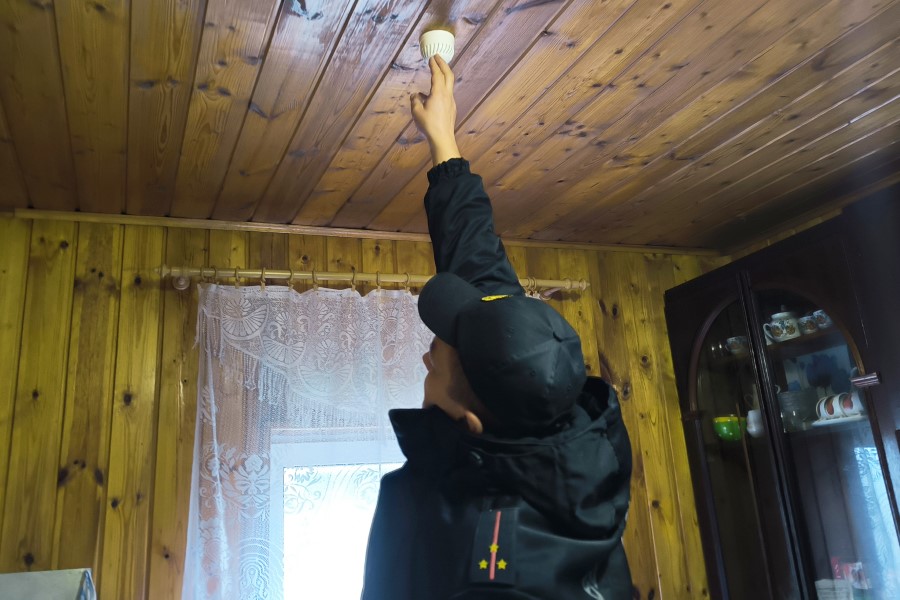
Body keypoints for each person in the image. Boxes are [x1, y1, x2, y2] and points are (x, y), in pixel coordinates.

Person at [361, 55, 633, 600]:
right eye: (436, 362)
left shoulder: (480, 570)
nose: (426, 360)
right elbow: (481, 268)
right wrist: (444, 140)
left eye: (435, 362)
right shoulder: (539, 410)